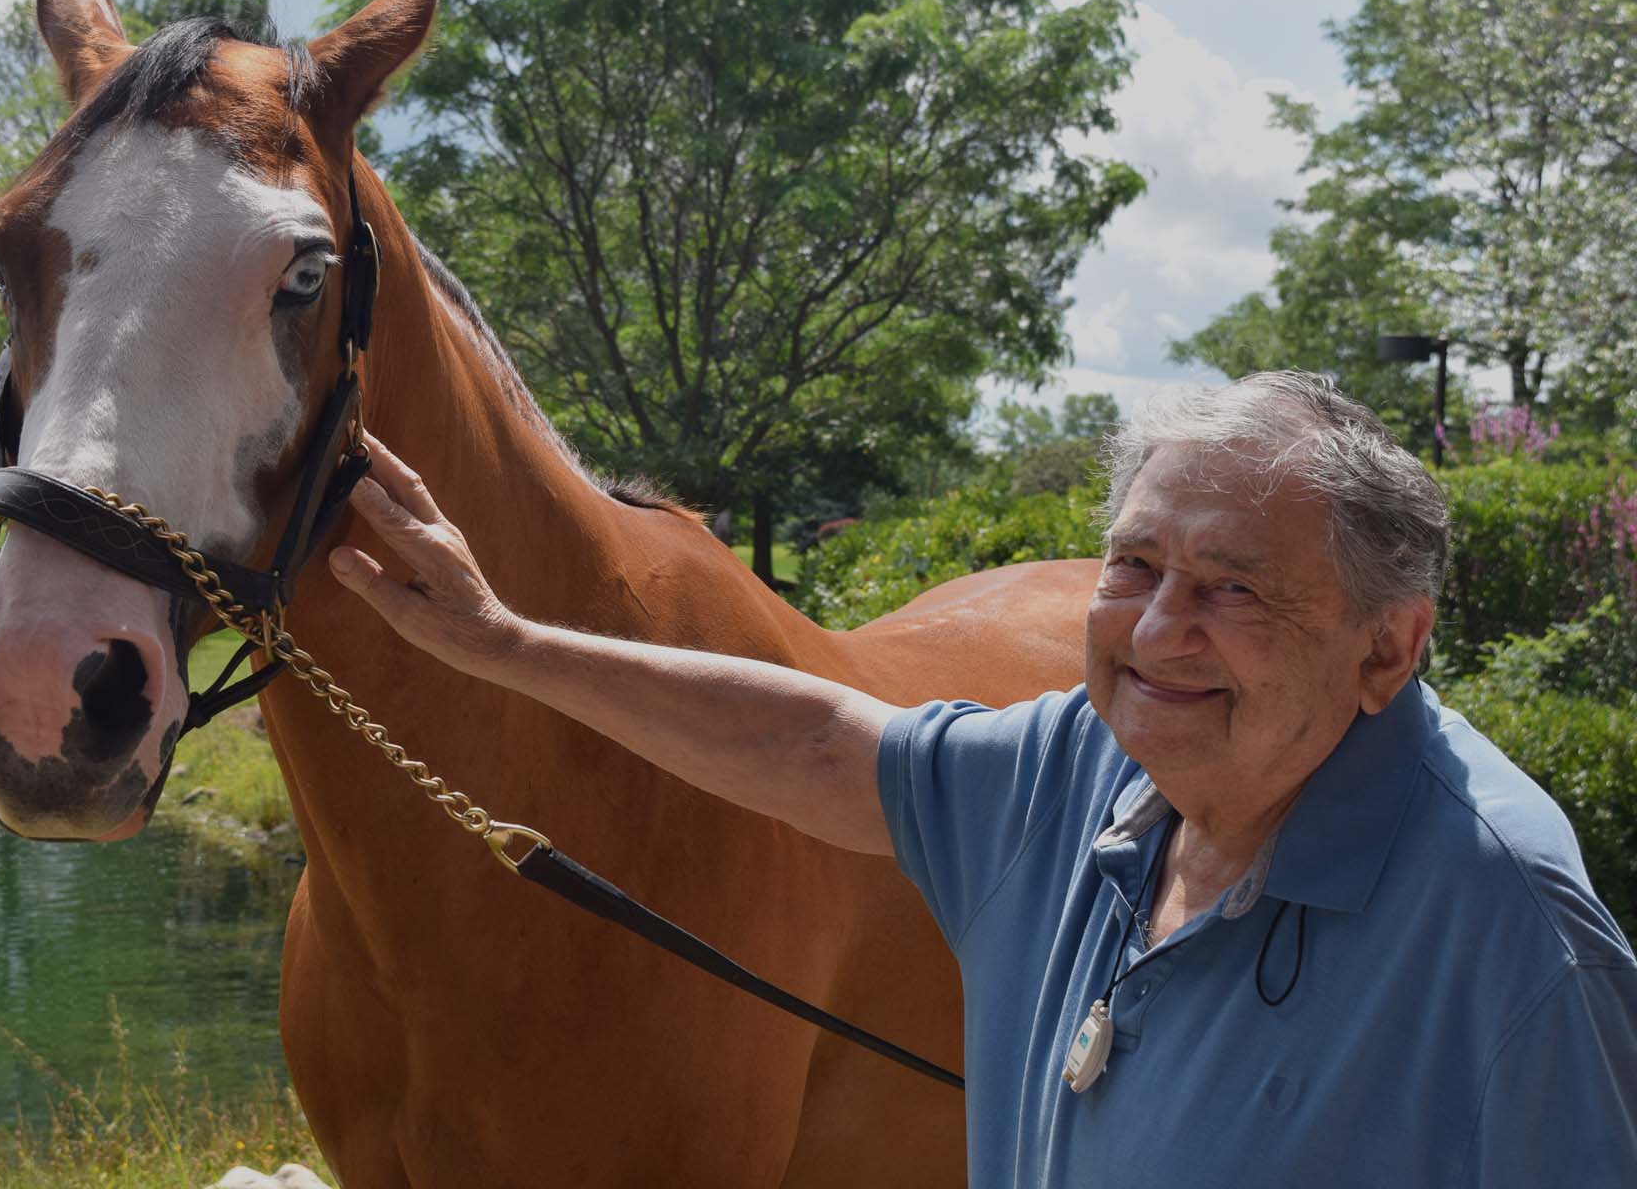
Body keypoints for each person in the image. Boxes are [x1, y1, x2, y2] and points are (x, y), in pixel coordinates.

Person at [327, 371, 1637, 1186]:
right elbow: (819, 747)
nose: (1158, 627)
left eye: (1237, 587)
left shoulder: (1506, 925)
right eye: (1137, 565)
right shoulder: (1081, 766)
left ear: (1385, 650)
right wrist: (500, 645)